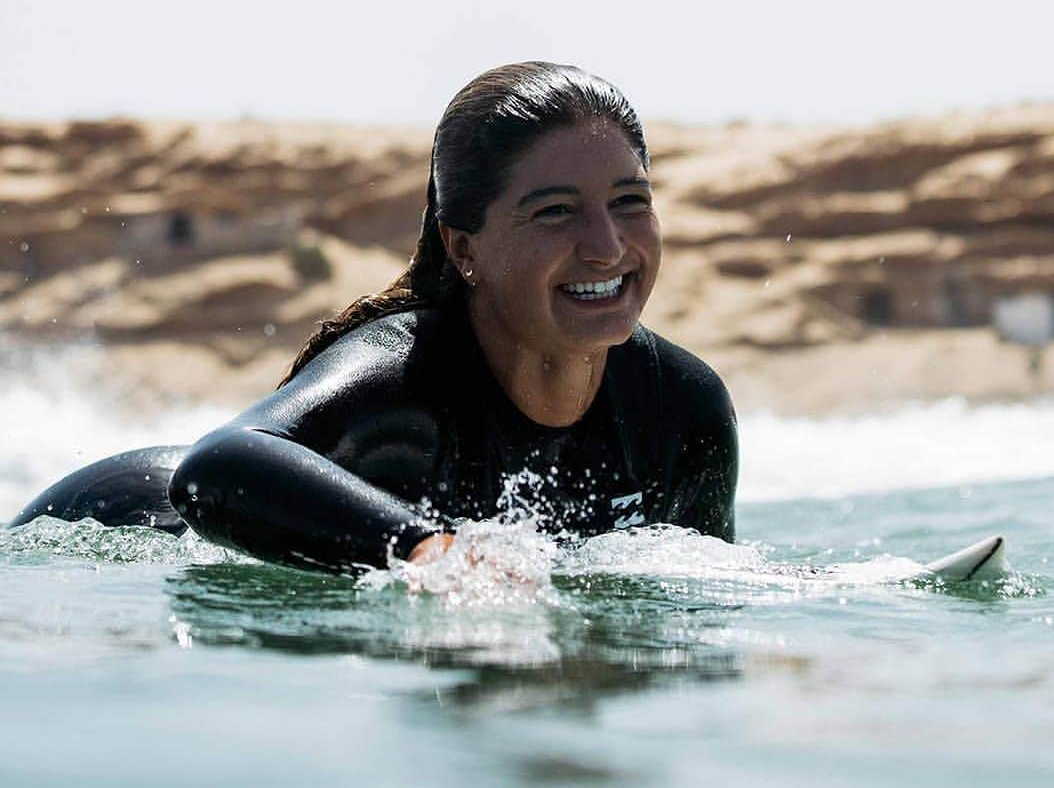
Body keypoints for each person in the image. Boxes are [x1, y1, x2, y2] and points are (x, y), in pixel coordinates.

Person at [10, 63, 738, 575]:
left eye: (630, 202)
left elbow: (696, 593)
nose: (608, 245)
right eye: (554, 211)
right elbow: (211, 471)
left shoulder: (683, 411)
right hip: (108, 548)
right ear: (464, 247)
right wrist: (429, 551)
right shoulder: (402, 376)